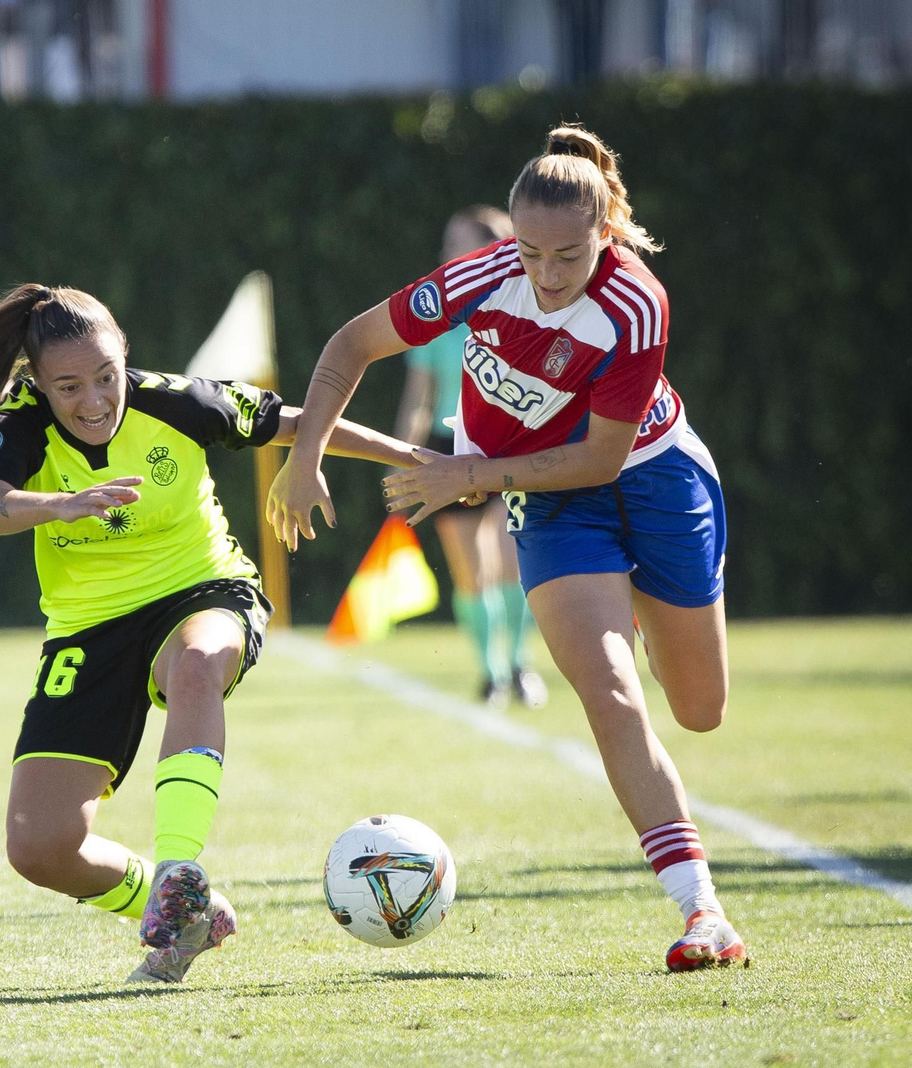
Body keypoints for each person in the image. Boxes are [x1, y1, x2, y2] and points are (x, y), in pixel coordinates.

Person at [269, 124, 746, 973]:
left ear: (605, 233)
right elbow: (352, 345)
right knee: (609, 690)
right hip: (555, 506)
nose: (547, 275)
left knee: (700, 708)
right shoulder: (483, 275)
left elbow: (602, 458)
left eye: (568, 255)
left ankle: (642, 608)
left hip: (654, 477)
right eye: (530, 253)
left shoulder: (636, 303)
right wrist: (305, 460)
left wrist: (473, 474)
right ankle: (702, 910)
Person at [0, 284, 419, 983]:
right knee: (39, 848)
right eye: (69, 387)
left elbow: (301, 422)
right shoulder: (21, 419)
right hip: (87, 628)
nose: (94, 401)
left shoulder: (177, 401)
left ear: (123, 354)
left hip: (203, 588)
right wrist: (61, 505)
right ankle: (190, 911)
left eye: (106, 376)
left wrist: (417, 458)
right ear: (39, 381)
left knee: (197, 663)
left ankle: (180, 867)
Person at [394, 205, 546, 708]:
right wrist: (402, 455)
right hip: (447, 450)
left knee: (510, 560)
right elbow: (419, 398)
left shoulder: (520, 308)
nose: (445, 254)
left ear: (488, 250)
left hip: (506, 446)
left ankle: (520, 665)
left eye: (456, 244)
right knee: (469, 571)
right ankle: (491, 674)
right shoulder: (436, 318)